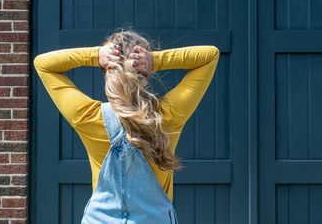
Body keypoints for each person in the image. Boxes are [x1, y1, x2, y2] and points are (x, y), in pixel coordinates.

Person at [33, 28, 220, 223]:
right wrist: (156, 60)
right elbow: (210, 56)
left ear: (107, 72)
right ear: (146, 74)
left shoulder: (89, 116)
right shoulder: (166, 116)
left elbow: (43, 64)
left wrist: (95, 55)